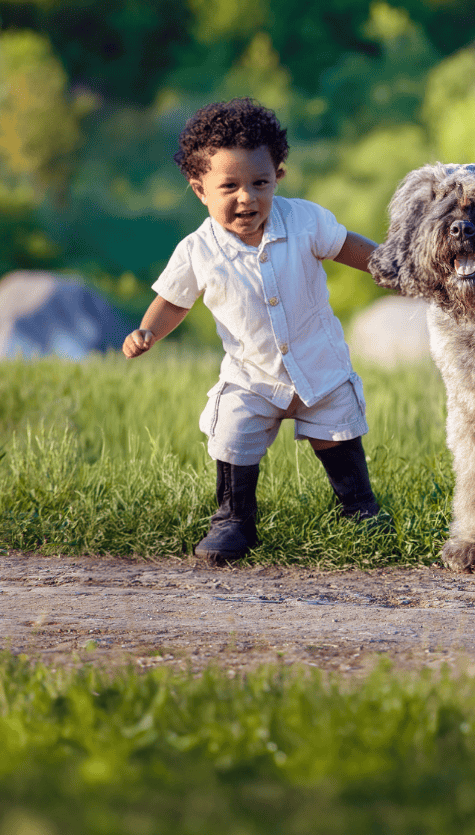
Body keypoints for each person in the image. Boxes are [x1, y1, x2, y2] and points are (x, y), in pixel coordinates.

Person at [123, 98, 386, 563]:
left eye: (260, 183)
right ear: (200, 189)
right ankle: (233, 520)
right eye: (230, 186)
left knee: (338, 434)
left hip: (318, 366)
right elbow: (173, 301)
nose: (247, 197)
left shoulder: (305, 220)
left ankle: (360, 510)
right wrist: (147, 331)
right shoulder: (197, 250)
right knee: (233, 434)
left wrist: (393, 267)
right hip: (251, 376)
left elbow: (349, 247)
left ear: (278, 175)